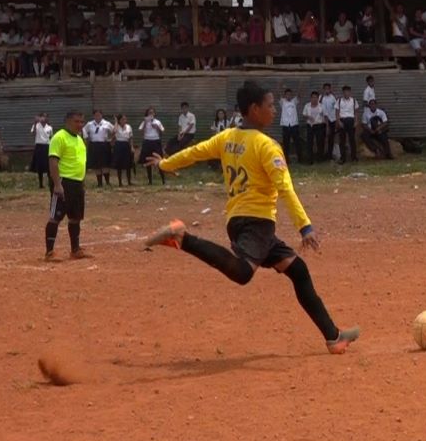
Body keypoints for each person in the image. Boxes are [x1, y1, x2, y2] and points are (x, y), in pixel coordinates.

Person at [143, 81, 360, 355]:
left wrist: (164, 163)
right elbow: (285, 188)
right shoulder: (267, 146)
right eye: (270, 105)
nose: (274, 110)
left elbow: (194, 153)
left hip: (239, 221)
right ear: (254, 109)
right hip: (258, 222)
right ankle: (182, 238)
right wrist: (305, 226)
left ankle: (334, 336)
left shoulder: (227, 138)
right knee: (243, 273)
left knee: (298, 271)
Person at [45, 110, 91, 261]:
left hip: (77, 183)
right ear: (68, 121)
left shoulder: (79, 139)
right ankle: (49, 252)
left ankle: (75, 250)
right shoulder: (59, 137)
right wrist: (57, 184)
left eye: (82, 122)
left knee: (75, 217)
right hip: (64, 182)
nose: (80, 125)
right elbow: (53, 161)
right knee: (55, 218)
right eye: (76, 121)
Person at [82, 110, 114, 187]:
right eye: (96, 115)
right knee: (96, 164)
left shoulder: (107, 123)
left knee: (105, 164)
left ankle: (107, 182)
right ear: (93, 116)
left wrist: (111, 140)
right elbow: (83, 131)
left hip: (104, 145)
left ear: (102, 115)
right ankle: (99, 183)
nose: (97, 116)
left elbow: (114, 131)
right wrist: (86, 139)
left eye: (99, 115)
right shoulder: (90, 124)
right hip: (94, 145)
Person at [138, 107, 166, 185]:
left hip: (156, 141)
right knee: (148, 161)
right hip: (147, 141)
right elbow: (140, 130)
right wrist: (145, 122)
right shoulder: (145, 121)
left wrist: (157, 127)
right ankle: (150, 180)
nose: (151, 114)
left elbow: (162, 132)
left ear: (154, 114)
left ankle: (163, 180)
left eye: (152, 112)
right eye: (149, 113)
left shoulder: (158, 122)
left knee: (159, 160)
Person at [336, 85, 358, 164]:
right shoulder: (339, 101)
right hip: (342, 120)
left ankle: (354, 157)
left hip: (351, 121)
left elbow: (356, 112)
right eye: (345, 92)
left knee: (352, 140)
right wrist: (338, 121)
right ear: (343, 92)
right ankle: (343, 158)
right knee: (342, 140)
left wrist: (356, 121)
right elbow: (337, 112)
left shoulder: (354, 101)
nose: (346, 93)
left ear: (350, 92)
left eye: (348, 92)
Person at [29, 113, 53, 188]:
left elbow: (51, 137)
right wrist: (35, 122)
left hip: (47, 146)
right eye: (42, 117)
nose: (44, 118)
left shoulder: (49, 127)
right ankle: (40, 184)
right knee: (39, 166)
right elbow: (33, 134)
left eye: (45, 117)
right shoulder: (36, 125)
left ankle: (50, 182)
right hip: (39, 146)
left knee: (48, 165)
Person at [302, 91, 326, 164]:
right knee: (309, 143)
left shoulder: (322, 106)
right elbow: (304, 115)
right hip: (310, 125)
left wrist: (327, 127)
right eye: (313, 97)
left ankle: (320, 159)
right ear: (311, 98)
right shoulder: (307, 105)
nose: (314, 99)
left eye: (316, 97)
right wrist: (308, 117)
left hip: (319, 125)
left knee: (319, 142)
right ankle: (310, 160)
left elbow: (325, 116)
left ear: (318, 98)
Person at [112, 113, 135, 186]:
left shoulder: (128, 126)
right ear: (119, 120)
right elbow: (113, 132)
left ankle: (129, 181)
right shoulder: (116, 126)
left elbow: (131, 138)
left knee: (128, 164)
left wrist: (131, 147)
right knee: (119, 164)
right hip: (118, 145)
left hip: (126, 145)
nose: (124, 120)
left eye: (125, 119)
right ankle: (120, 182)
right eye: (122, 119)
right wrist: (115, 122)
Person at [279, 88, 301, 163]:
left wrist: (301, 83)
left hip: (294, 125)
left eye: (290, 94)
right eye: (287, 94)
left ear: (291, 95)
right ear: (285, 95)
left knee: (297, 142)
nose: (288, 96)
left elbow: (299, 93)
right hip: (285, 125)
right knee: (286, 144)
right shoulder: (283, 102)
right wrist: (280, 83)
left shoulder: (294, 101)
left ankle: (300, 159)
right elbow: (278, 93)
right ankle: (286, 160)